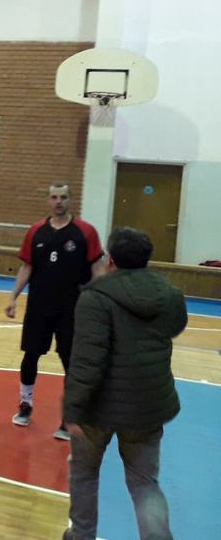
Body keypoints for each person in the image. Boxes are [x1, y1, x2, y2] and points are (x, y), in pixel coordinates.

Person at [62, 227, 187, 540]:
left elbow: (88, 361)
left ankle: (82, 535)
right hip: (147, 406)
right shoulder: (169, 295)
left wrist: (72, 408)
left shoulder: (95, 297)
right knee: (145, 483)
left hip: (98, 410)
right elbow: (176, 327)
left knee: (84, 473)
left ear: (110, 259)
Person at [6, 183, 106, 440]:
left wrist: (99, 299)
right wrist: (13, 297)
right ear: (48, 201)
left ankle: (69, 416)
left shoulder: (85, 232)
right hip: (39, 307)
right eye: (54, 197)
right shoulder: (36, 231)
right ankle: (25, 404)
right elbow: (27, 267)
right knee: (31, 355)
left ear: (70, 200)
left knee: (70, 361)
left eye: (63, 197)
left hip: (72, 309)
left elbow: (98, 269)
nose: (58, 201)